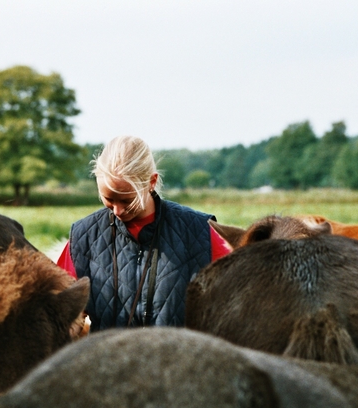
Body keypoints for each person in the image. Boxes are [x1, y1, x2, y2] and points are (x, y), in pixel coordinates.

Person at [57, 135, 231, 331]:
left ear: (152, 182)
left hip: (182, 360)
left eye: (127, 200)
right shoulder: (84, 237)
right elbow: (60, 315)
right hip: (109, 360)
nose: (117, 211)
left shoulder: (200, 232)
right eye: (108, 199)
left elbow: (234, 303)